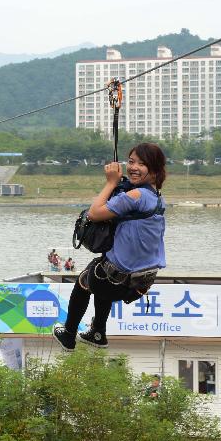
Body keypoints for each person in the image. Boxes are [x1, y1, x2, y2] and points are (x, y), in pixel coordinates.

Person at [54, 143, 167, 351]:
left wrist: (111, 183)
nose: (134, 167)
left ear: (156, 170)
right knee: (102, 267)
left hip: (117, 280)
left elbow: (93, 214)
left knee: (86, 279)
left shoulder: (136, 196)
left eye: (142, 164)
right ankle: (98, 332)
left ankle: (69, 334)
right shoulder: (157, 198)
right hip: (141, 283)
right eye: (131, 161)